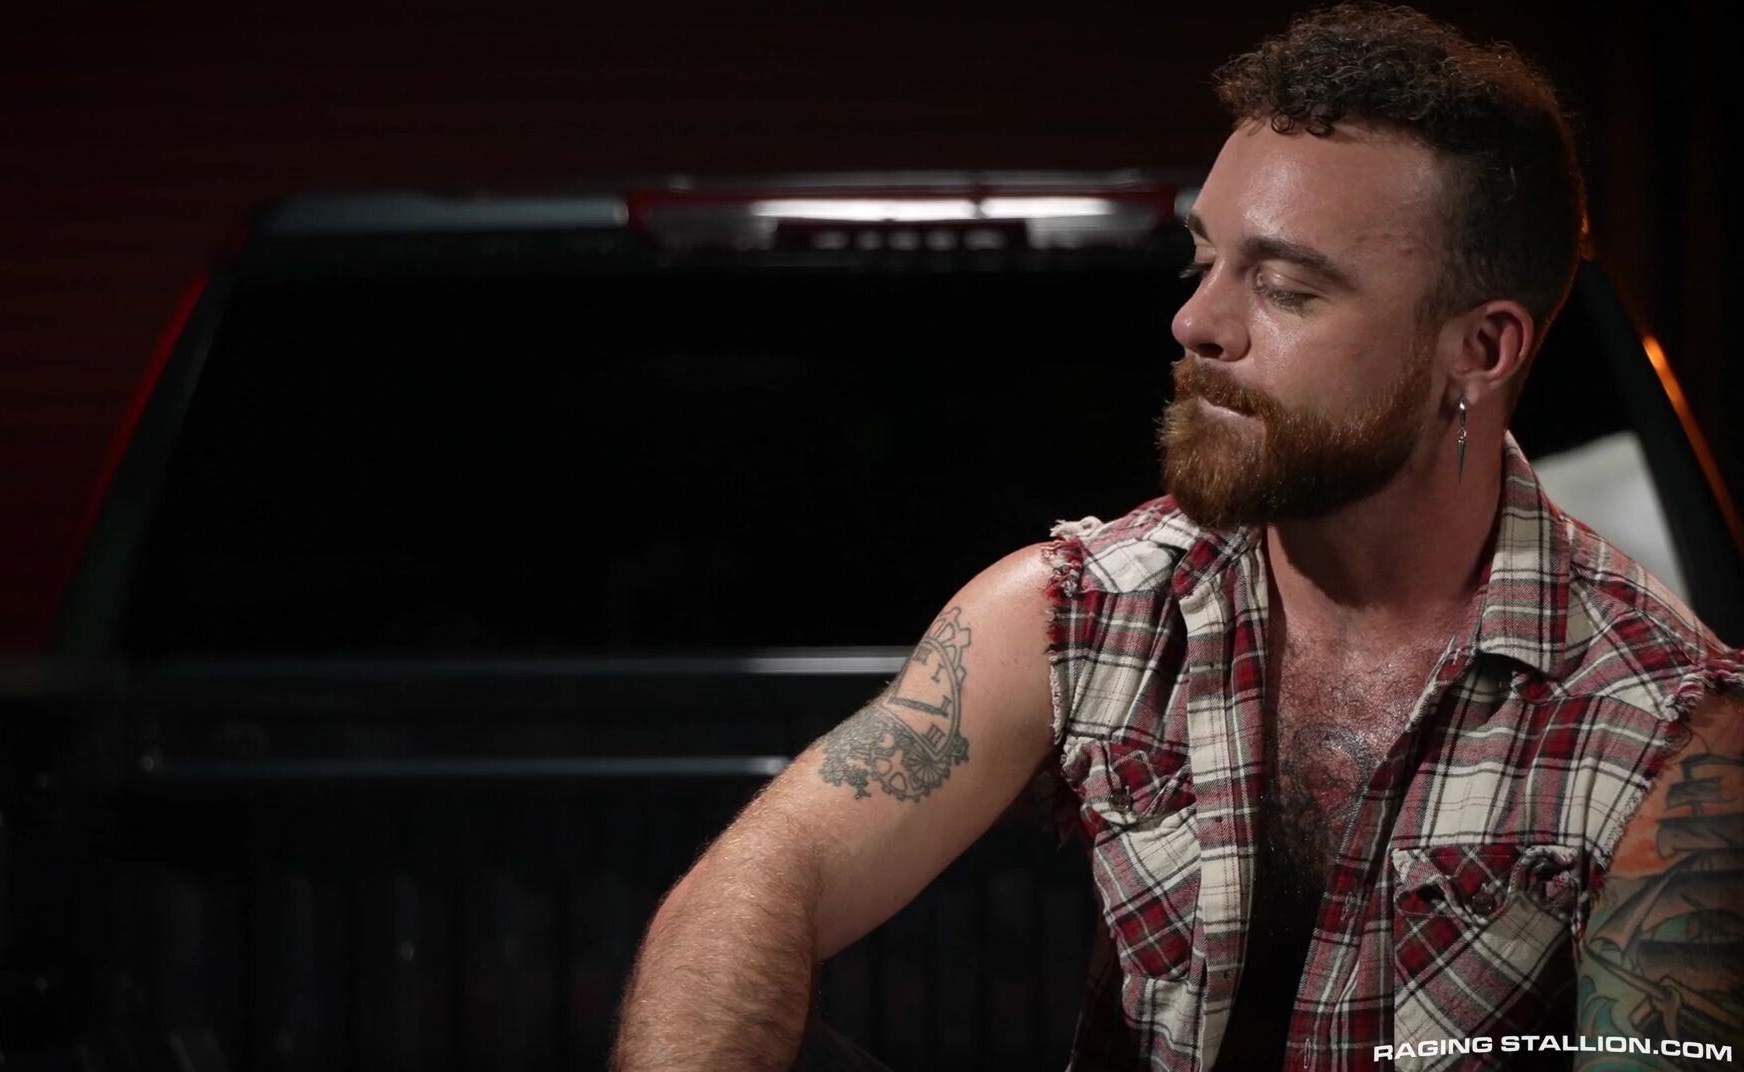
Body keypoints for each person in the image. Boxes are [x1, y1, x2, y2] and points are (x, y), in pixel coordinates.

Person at [610, 4, 1744, 1069]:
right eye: (1204, 261)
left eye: (1285, 288)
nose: (1195, 320)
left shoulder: (1667, 734)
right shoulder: (1080, 610)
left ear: (1480, 352)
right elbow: (763, 879)